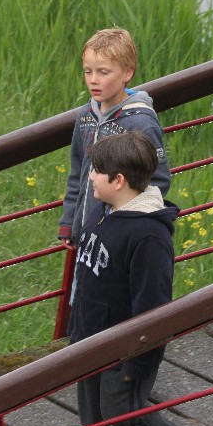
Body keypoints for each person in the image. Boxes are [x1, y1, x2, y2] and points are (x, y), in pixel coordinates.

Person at [71, 131, 199, 426]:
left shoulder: (148, 236)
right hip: (89, 338)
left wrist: (139, 362)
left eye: (96, 171)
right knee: (93, 416)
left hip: (127, 351)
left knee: (121, 414)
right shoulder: (102, 211)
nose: (90, 176)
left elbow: (153, 307)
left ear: (118, 180)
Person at [58, 28, 170, 260]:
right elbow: (78, 171)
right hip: (86, 232)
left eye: (103, 72)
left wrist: (127, 223)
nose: (93, 80)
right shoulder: (85, 116)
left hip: (120, 238)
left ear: (127, 72)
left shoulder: (141, 123)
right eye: (87, 71)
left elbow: (158, 180)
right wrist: (70, 221)